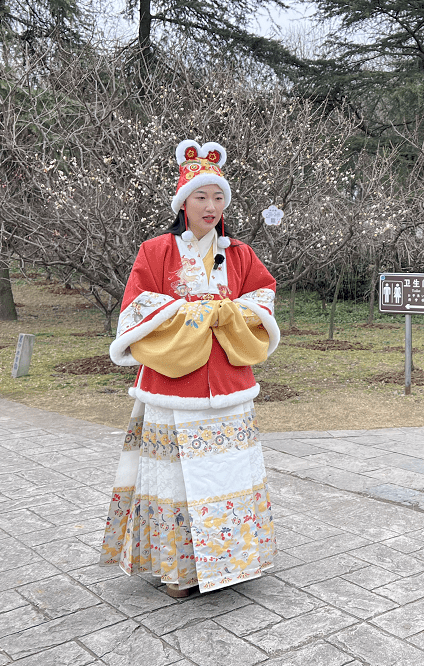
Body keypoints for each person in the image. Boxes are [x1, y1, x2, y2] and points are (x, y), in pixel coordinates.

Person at [100, 140, 280, 597]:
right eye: (201, 196)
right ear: (183, 202)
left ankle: (233, 563)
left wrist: (230, 313)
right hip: (172, 381)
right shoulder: (155, 250)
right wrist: (199, 313)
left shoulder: (239, 253)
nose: (212, 206)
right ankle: (178, 571)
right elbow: (138, 307)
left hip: (227, 381)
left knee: (230, 473)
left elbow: (262, 298)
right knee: (174, 478)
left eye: (219, 197)